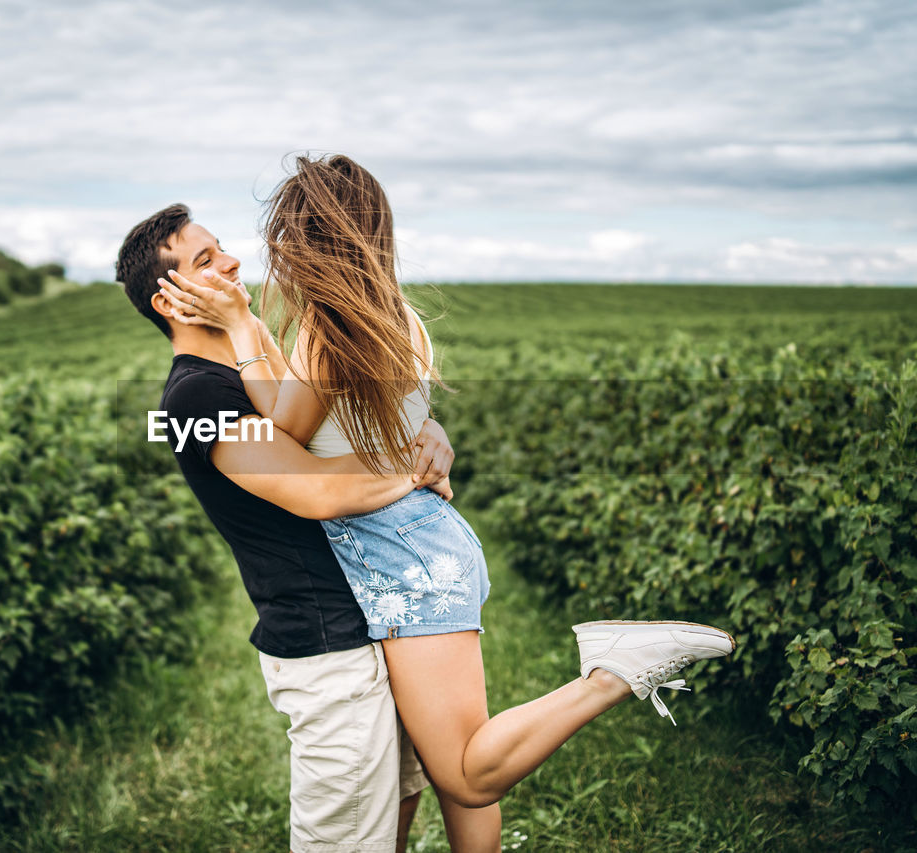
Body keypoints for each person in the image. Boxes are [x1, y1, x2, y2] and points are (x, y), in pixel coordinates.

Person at [156, 154, 738, 852]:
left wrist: (245, 325)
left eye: (275, 236)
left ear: (303, 238)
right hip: (423, 542)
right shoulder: (385, 314)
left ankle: (615, 671)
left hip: (401, 555)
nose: (255, 258)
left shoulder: (324, 326)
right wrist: (416, 445)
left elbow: (288, 426)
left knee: (464, 772)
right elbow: (336, 419)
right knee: (449, 766)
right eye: (207, 258)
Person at [116, 203, 460, 853]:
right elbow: (319, 489)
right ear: (170, 298)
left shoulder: (247, 369)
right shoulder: (196, 396)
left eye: (220, 247)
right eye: (205, 260)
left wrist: (426, 432)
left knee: (396, 810)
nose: (232, 261)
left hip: (377, 616)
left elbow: (344, 435)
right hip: (327, 646)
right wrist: (416, 472)